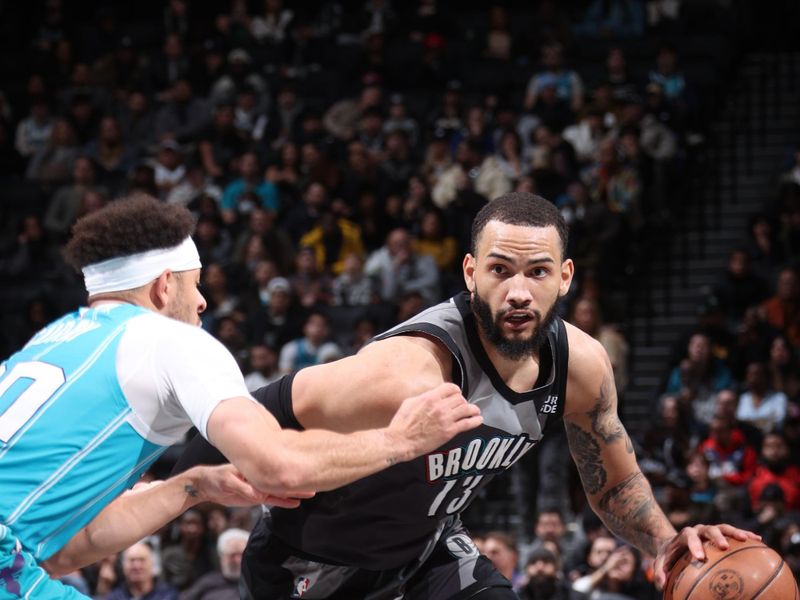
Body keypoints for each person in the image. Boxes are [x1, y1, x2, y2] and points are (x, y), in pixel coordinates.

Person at [177, 192, 757, 599]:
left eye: (537, 272)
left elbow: (615, 481)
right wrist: (157, 489)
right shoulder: (406, 371)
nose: (519, 292)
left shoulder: (581, 366)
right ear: (470, 271)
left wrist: (664, 542)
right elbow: (248, 413)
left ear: (566, 277)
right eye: (501, 270)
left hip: (430, 553)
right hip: (312, 566)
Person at [0, 195, 481, 599]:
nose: (204, 301)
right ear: (165, 285)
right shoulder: (169, 340)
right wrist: (401, 439)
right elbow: (279, 467)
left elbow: (64, 551)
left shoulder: (48, 341)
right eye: (196, 283)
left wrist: (193, 487)